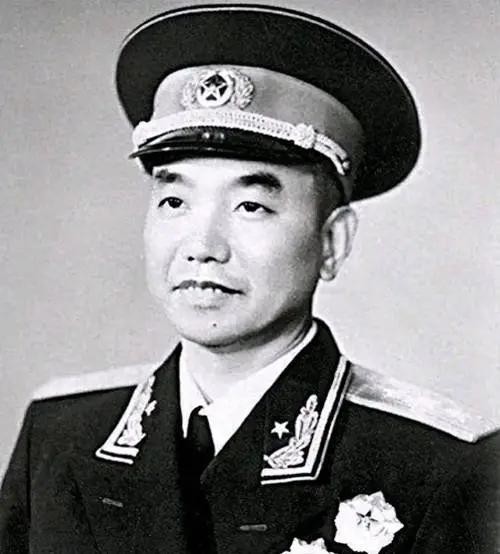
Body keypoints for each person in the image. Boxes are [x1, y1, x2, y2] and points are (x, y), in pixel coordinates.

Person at [1, 4, 498, 553]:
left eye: (252, 207)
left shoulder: (440, 466)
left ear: (332, 242)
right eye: (174, 201)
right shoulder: (61, 436)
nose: (202, 247)